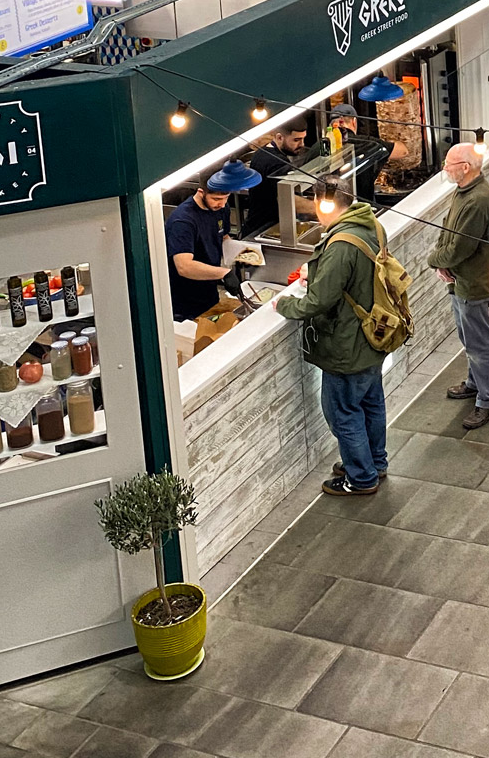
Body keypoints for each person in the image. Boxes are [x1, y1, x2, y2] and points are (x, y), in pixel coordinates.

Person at [274, 179, 389, 496]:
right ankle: (374, 463)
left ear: (325, 205)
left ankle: (361, 477)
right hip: (373, 336)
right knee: (371, 403)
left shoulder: (340, 246)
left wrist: (284, 304)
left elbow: (318, 301)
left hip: (347, 344)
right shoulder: (372, 226)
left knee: (341, 411)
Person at [434, 143, 489, 429]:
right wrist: (443, 261)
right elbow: (447, 226)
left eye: (449, 164)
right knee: (469, 338)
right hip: (460, 279)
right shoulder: (464, 191)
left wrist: (435, 260)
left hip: (472, 282)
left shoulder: (476, 200)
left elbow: (461, 246)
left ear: (465, 167)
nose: (445, 168)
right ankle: (475, 383)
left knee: (479, 344)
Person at [164, 162, 263, 321]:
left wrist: (239, 255)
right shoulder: (183, 221)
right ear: (201, 192)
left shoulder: (221, 208)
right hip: (185, 303)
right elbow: (184, 266)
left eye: (226, 198)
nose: (222, 204)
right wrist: (224, 272)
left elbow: (223, 237)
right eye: (217, 199)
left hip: (209, 293)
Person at [242, 119, 313, 239]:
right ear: (279, 137)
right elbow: (289, 199)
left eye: (303, 139)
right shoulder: (277, 162)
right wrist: (318, 209)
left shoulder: (263, 151)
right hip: (263, 230)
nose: (302, 144)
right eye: (296, 140)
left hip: (255, 227)